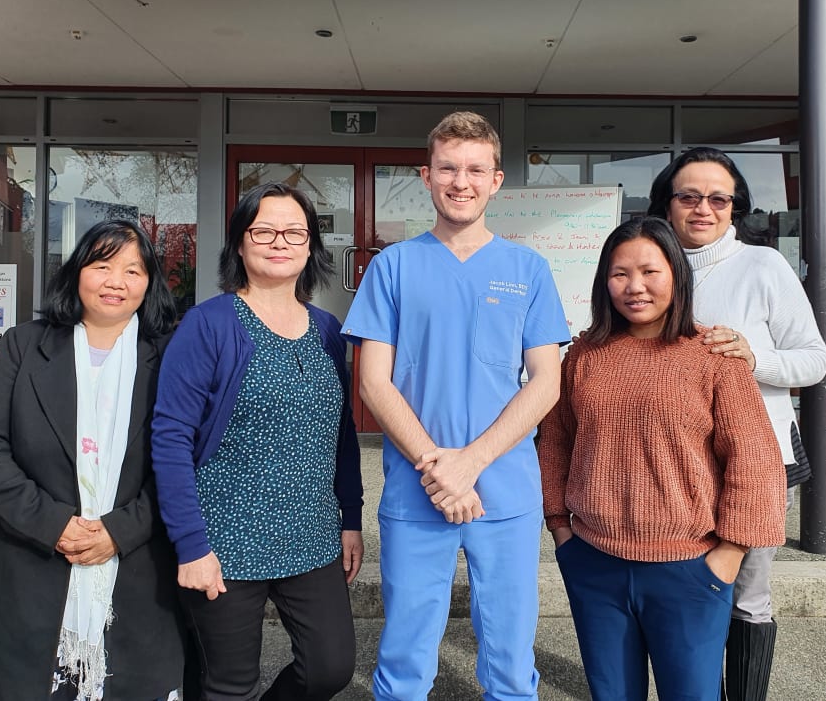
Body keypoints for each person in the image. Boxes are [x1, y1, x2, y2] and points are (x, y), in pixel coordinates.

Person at [341, 111, 570, 700]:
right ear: (426, 174)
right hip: (418, 490)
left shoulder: (529, 270)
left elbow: (546, 382)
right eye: (448, 167)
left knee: (511, 658)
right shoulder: (392, 267)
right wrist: (440, 467)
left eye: (475, 170)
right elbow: (373, 382)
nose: (460, 181)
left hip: (507, 491)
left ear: (496, 180)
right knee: (405, 655)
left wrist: (471, 463)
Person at [538, 215, 787, 701]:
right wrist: (559, 526)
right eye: (620, 273)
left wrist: (730, 554)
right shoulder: (585, 355)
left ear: (676, 273)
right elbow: (556, 439)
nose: (635, 287)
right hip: (594, 559)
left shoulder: (713, 355)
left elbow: (755, 460)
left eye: (650, 271)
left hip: (690, 566)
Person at [151, 182, 363, 700]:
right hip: (224, 540)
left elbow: (341, 431)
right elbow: (170, 439)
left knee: (329, 669)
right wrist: (191, 544)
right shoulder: (208, 325)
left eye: (294, 231)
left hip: (310, 537)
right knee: (228, 685)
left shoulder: (327, 329)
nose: (279, 241)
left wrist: (351, 518)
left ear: (311, 245)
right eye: (263, 230)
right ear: (240, 244)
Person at [0, 219, 184, 700]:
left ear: (149, 283)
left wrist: (120, 530)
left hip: (137, 565)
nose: (116, 282)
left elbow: (188, 461)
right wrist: (54, 523)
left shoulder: (171, 356)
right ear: (76, 272)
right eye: (102, 266)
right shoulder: (24, 346)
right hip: (30, 556)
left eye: (133, 270)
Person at [647, 147, 826, 701]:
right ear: (667, 203)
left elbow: (813, 359)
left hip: (757, 461)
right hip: (673, 465)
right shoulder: (650, 267)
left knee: (747, 593)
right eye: (689, 196)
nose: (703, 208)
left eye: (718, 198)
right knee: (689, 592)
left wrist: (755, 358)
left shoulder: (763, 265)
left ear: (735, 207)